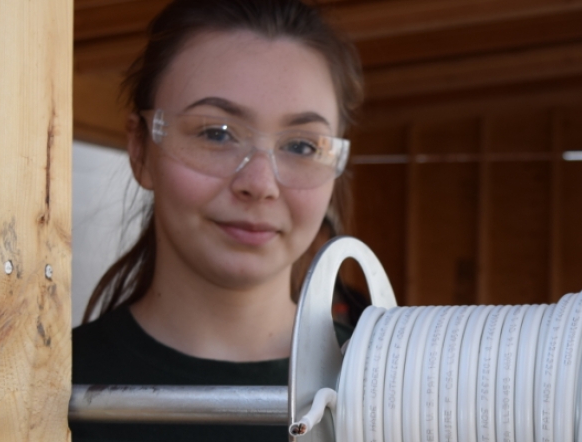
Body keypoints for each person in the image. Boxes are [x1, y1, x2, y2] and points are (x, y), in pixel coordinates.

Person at [70, 0, 363, 440]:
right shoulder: (41, 387)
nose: (259, 184)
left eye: (301, 146)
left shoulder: (392, 387)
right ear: (140, 149)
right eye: (216, 133)